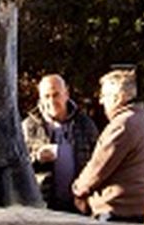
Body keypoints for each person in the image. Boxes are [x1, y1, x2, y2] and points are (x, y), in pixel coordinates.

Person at [72, 69, 144, 223]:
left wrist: (78, 190)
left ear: (119, 97)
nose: (101, 101)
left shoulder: (122, 124)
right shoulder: (141, 120)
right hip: (134, 208)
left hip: (114, 208)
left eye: (104, 96)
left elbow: (99, 167)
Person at [22, 74, 99, 212]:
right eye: (46, 96)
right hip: (42, 206)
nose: (51, 101)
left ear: (66, 94)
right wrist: (37, 158)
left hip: (79, 206)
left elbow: (98, 161)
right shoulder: (28, 127)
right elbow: (17, 166)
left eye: (56, 95)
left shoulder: (85, 124)